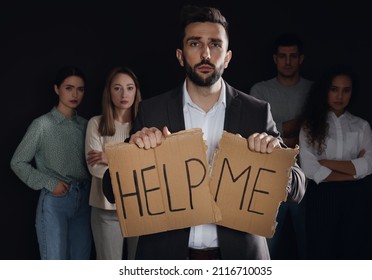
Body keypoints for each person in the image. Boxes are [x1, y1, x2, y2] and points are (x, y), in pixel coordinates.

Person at [125, 5, 306, 260]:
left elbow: (298, 188)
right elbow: (113, 187)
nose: (206, 54)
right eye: (195, 43)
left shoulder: (256, 112)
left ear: (228, 57)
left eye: (215, 44)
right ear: (180, 55)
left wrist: (275, 161)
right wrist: (134, 153)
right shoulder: (152, 111)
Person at [10, 65, 92, 259]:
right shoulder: (42, 125)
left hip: (85, 203)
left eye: (80, 89)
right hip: (56, 203)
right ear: (57, 89)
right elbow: (18, 162)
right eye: (68, 88)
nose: (75, 94)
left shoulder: (87, 125)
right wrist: (50, 183)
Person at [299, 64, 372, 259]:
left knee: (352, 252)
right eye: (334, 89)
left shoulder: (361, 126)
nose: (340, 96)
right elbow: (309, 169)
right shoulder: (309, 126)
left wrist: (326, 162)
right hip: (321, 198)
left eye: (346, 90)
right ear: (325, 90)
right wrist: (352, 171)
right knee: (321, 252)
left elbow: (368, 165)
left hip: (355, 200)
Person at [249, 32, 312, 259]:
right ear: (275, 59)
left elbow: (318, 136)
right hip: (270, 179)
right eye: (283, 56)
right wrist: (296, 131)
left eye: (293, 56)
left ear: (301, 59)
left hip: (310, 177)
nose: (288, 62)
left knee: (310, 249)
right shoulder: (260, 91)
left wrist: (282, 134)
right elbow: (259, 137)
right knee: (266, 251)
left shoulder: (313, 90)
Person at [85, 66, 141, 259]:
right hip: (106, 209)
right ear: (109, 92)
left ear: (136, 91)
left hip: (140, 208)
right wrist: (130, 160)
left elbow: (150, 167)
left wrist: (111, 157)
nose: (124, 94)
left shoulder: (145, 125)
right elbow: (95, 168)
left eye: (129, 87)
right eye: (117, 88)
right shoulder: (96, 124)